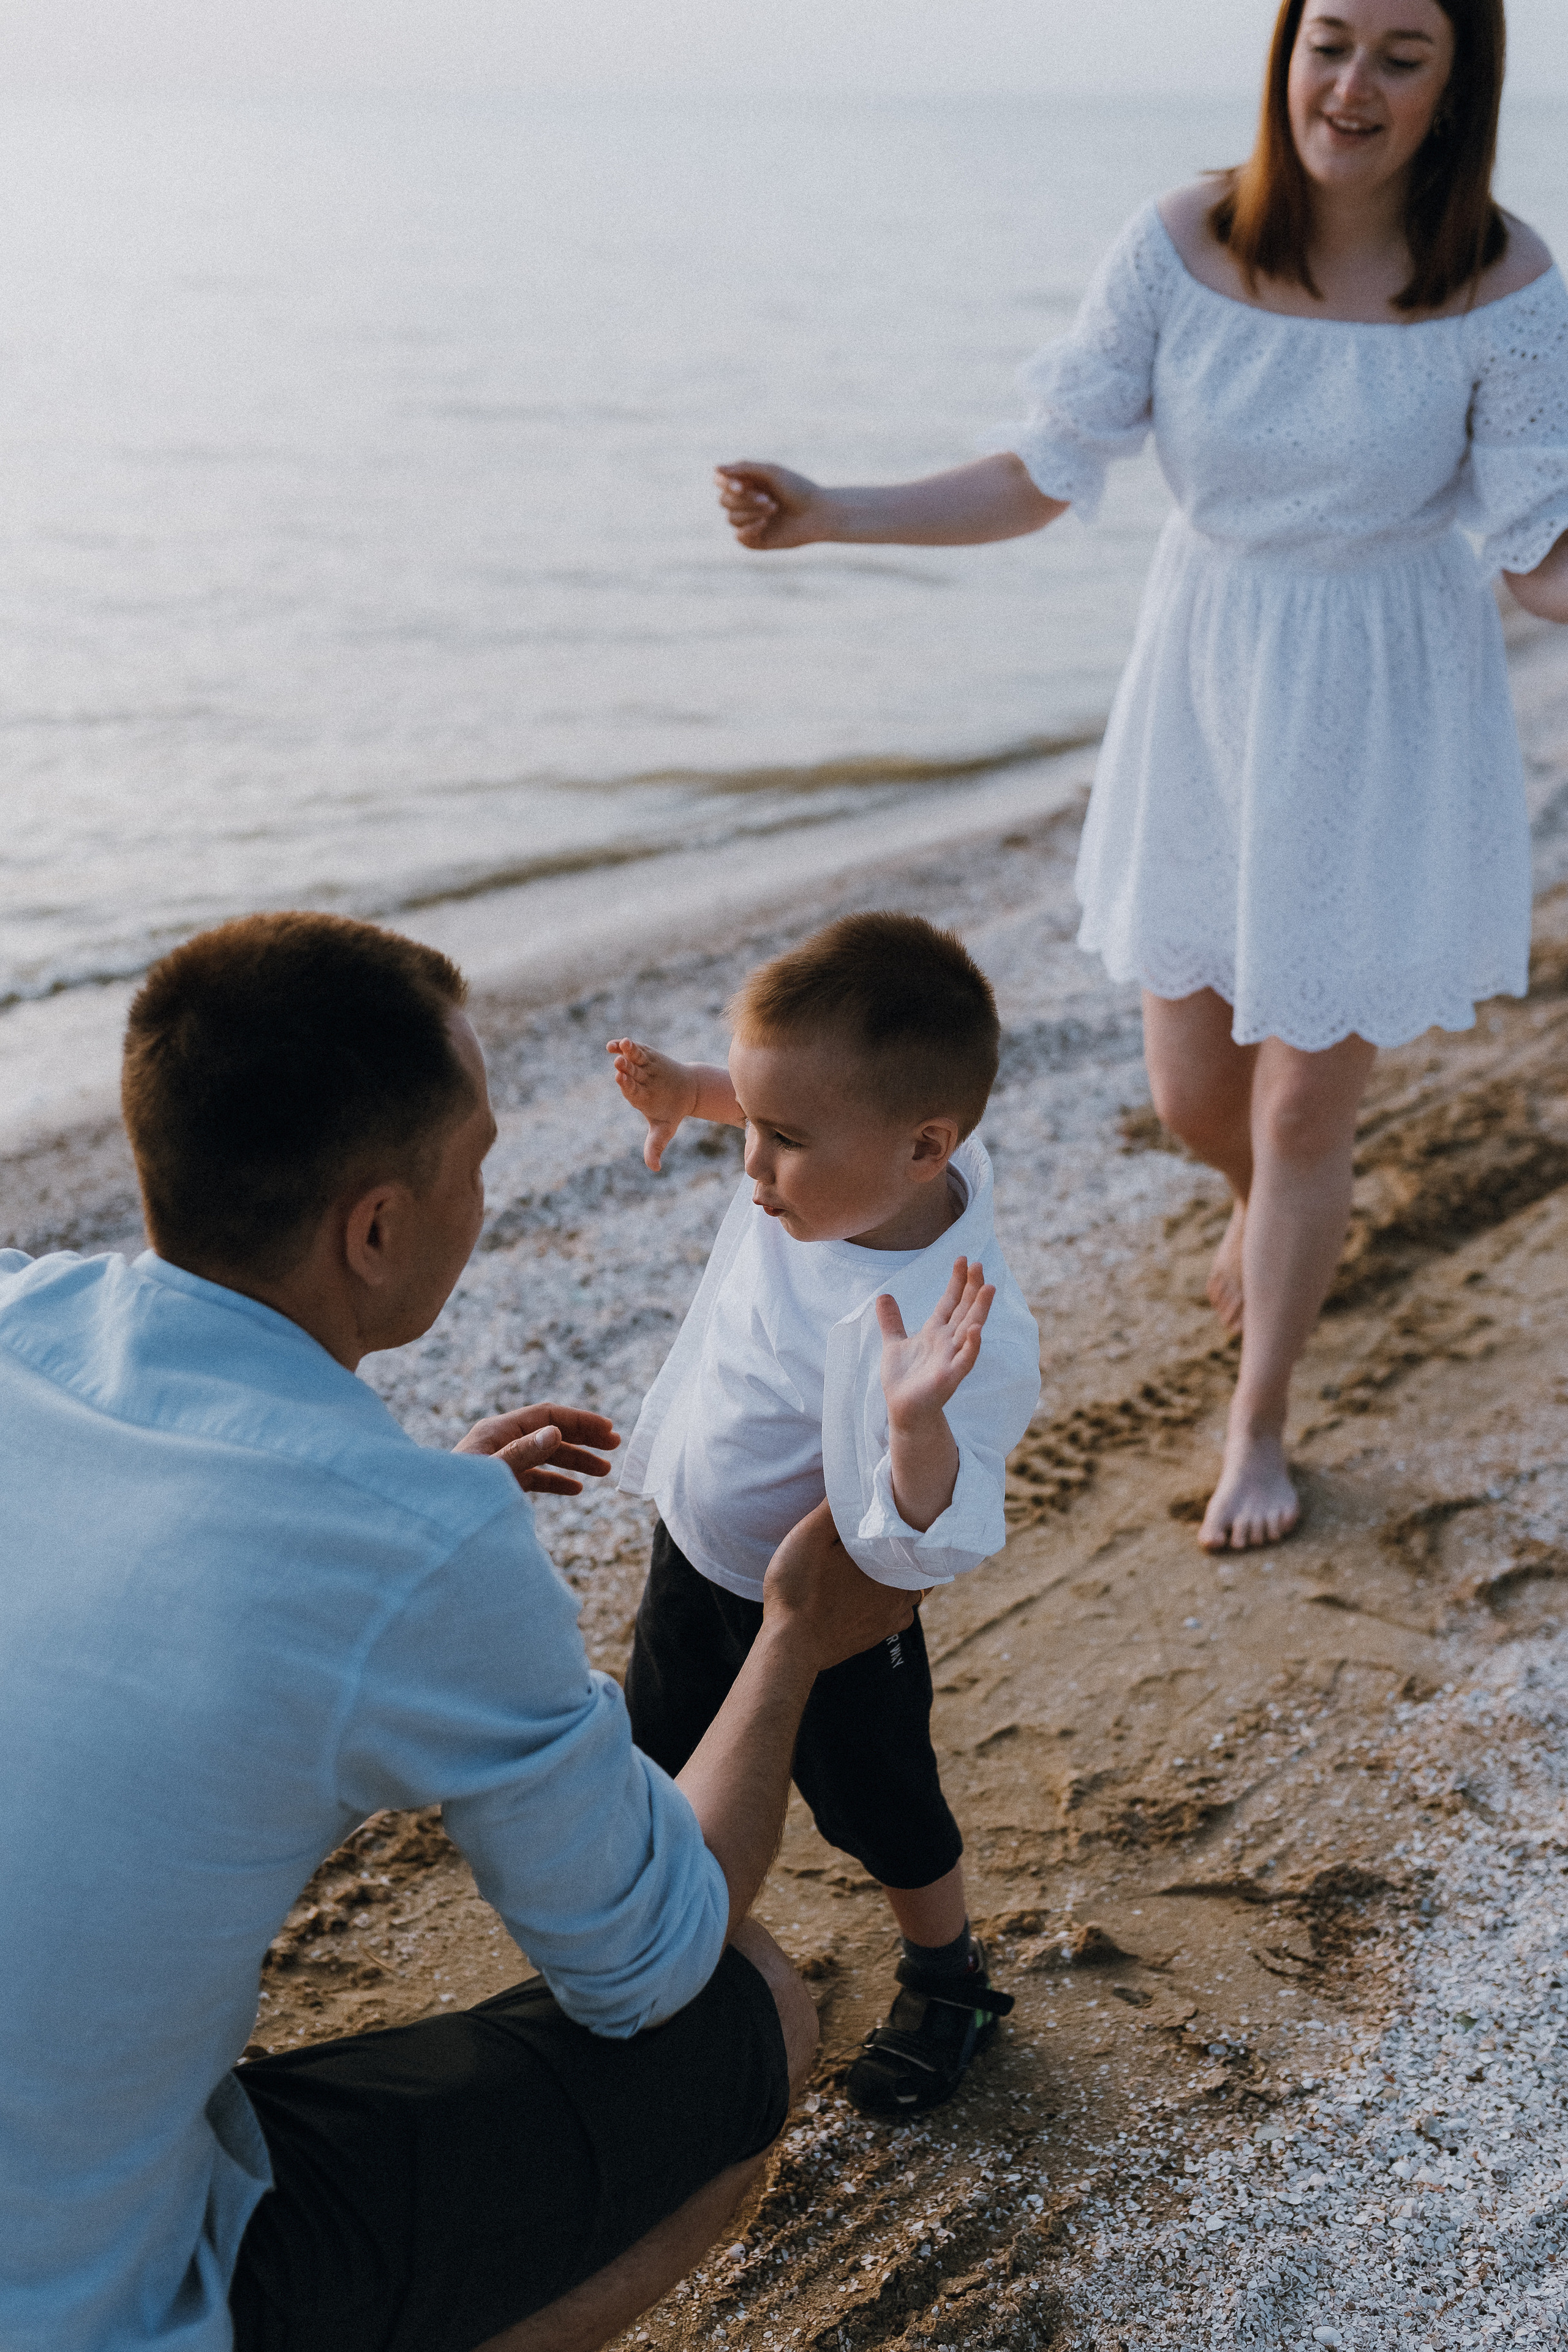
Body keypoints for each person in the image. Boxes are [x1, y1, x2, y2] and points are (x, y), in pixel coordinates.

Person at [712, 0, 1568, 1555]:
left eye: (1399, 53)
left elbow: (1537, 556)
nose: (1350, 83)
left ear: (1457, 83)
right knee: (1195, 1101)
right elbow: (1043, 470)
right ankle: (1268, 1203)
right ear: (1282, 50)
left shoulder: (1502, 283)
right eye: (1328, 41)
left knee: (1307, 1111)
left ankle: (1258, 1419)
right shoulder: (1181, 243)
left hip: (1385, 707)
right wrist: (833, 510)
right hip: (1207, 690)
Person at [0, 911, 920, 2352]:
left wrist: (400, 1511)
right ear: (374, 1227)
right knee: (748, 2009)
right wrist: (793, 1634)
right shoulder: (417, 1547)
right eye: (477, 1162)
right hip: (80, 2306)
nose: (486, 1198)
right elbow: (650, 1963)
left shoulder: (19, 1313)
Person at [606, 912, 1041, 2116]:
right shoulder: (832, 1189)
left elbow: (934, 1531)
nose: (749, 1173)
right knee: (662, 1744)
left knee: (879, 1796)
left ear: (924, 1148)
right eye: (746, 1125)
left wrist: (913, 1427)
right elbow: (774, 1101)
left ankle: (946, 1974)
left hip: (825, 1603)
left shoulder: (954, 1325)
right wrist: (694, 1090)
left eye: (781, 1141)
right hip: (695, 1547)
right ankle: (669, 1949)